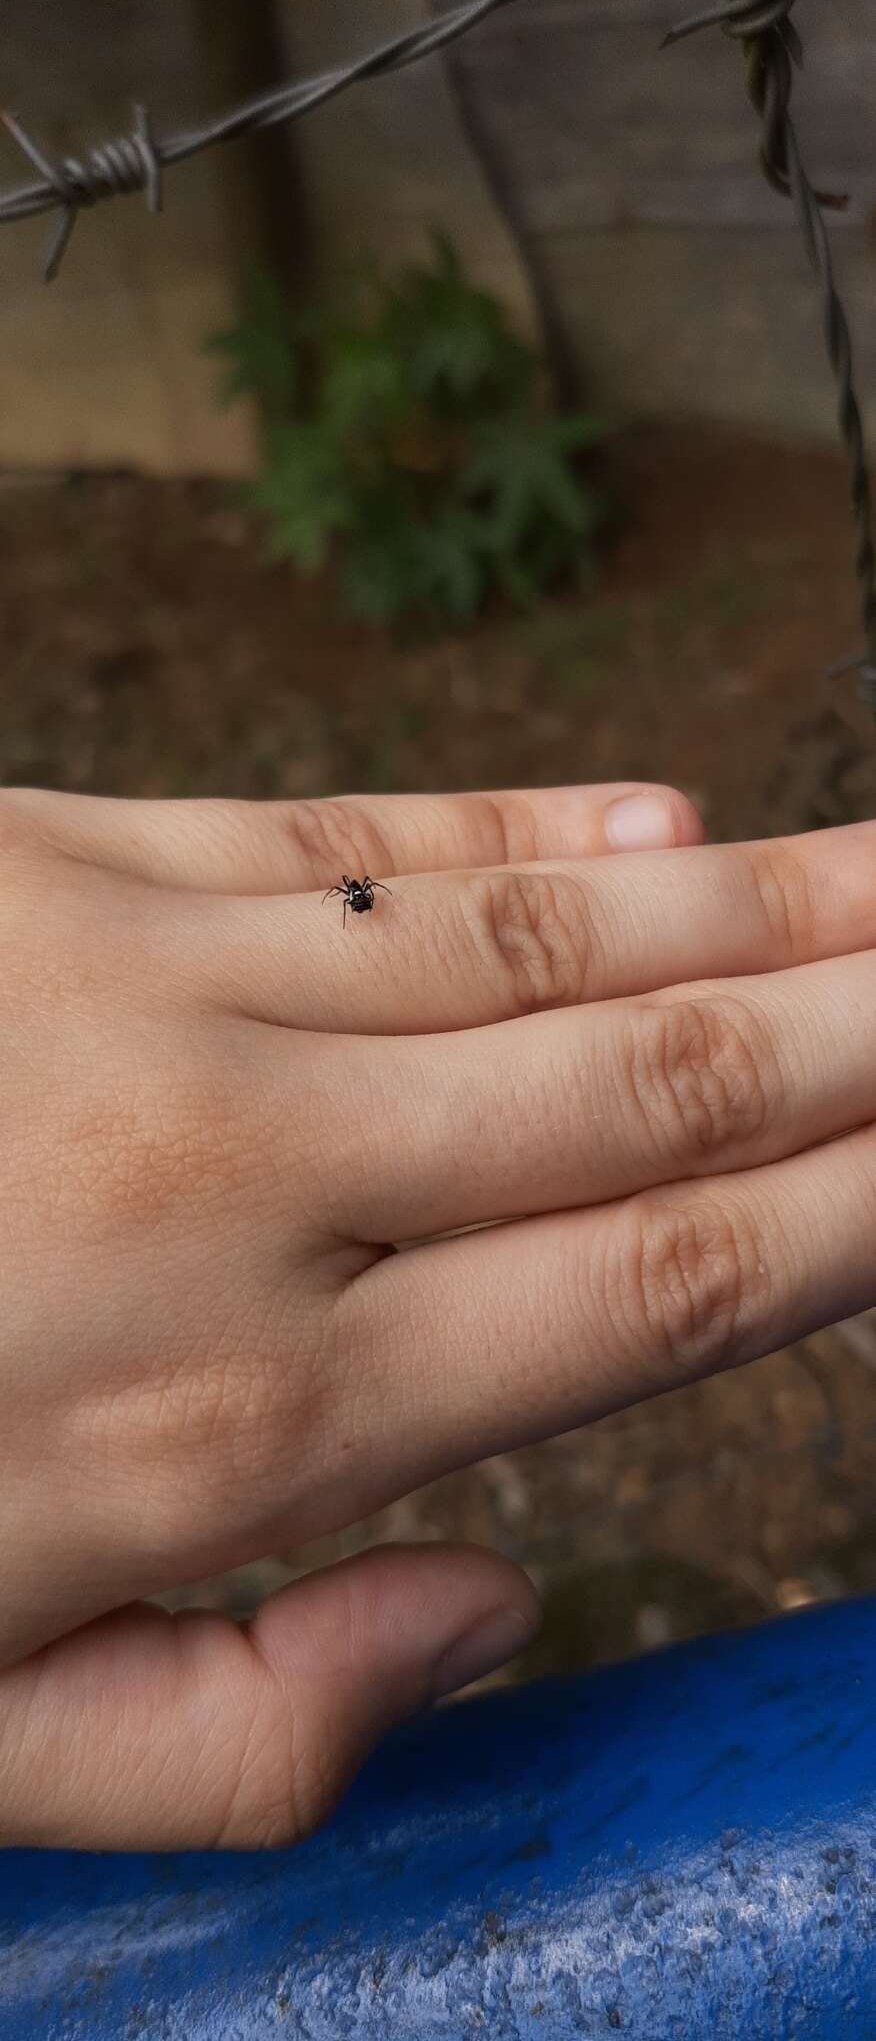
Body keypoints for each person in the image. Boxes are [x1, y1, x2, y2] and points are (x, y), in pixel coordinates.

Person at [2, 778, 876, 1851]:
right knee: (682, 1269)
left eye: (357, 891)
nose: (361, 893)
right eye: (360, 893)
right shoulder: (357, 891)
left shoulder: (358, 892)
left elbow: (357, 893)